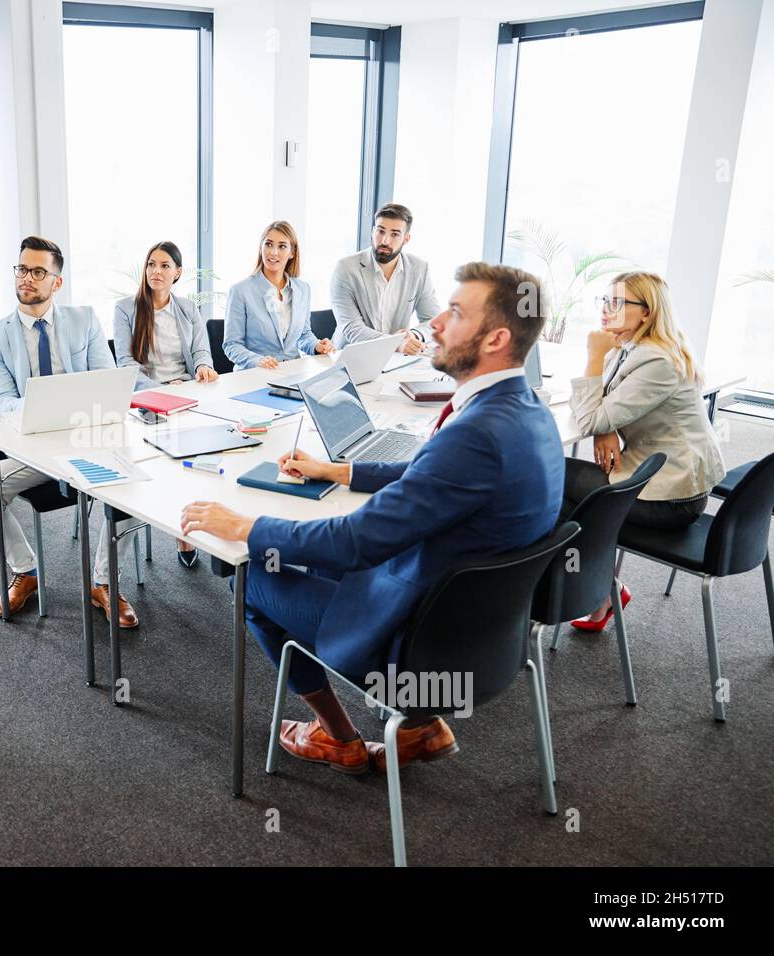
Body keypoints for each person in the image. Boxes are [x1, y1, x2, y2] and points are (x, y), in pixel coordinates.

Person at [181, 262, 563, 775]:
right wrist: (338, 470)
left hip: (421, 642)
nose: (435, 323)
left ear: (495, 338)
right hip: (484, 631)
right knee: (309, 560)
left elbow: (357, 541)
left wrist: (245, 528)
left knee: (253, 576)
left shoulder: (476, 435)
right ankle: (421, 725)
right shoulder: (527, 410)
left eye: (454, 313)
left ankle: (337, 737)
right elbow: (429, 474)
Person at [0, 236, 143, 627]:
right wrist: (48, 407)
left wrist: (78, 412)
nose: (26, 278)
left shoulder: (83, 320)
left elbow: (107, 381)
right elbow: (3, 402)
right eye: (21, 269)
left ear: (56, 282)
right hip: (34, 447)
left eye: (38, 271)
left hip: (87, 439)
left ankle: (103, 581)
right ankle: (26, 571)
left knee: (137, 485)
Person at [565, 271, 726, 631]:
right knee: (565, 492)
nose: (606, 310)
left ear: (647, 312)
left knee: (553, 483)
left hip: (672, 499)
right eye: (604, 301)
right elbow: (603, 409)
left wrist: (593, 359)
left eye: (617, 302)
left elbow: (590, 417)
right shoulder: (635, 348)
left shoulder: (657, 361)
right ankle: (601, 591)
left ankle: (593, 591)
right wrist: (603, 427)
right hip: (663, 478)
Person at [113, 240, 217, 568]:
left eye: (164, 266)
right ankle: (176, 526)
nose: (156, 272)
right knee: (174, 453)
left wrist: (202, 367)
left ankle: (189, 526)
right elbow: (124, 364)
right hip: (146, 399)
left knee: (202, 453)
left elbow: (201, 349)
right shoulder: (126, 309)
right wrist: (160, 389)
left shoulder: (188, 308)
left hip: (187, 394)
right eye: (151, 265)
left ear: (178, 273)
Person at [222, 221, 335, 370]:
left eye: (282, 246)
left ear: (292, 252)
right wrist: (257, 361)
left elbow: (304, 334)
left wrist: (316, 346)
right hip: (254, 375)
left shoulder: (303, 289)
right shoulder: (240, 291)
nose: (273, 252)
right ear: (261, 247)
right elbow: (232, 345)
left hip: (292, 373)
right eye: (268, 244)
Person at [330, 203, 440, 355]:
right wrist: (396, 343)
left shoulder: (419, 269)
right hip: (351, 357)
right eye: (380, 231)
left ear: (406, 239)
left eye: (394, 234)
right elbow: (352, 328)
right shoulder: (346, 268)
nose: (385, 241)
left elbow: (434, 321)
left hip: (396, 359)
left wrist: (413, 335)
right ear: (372, 231)